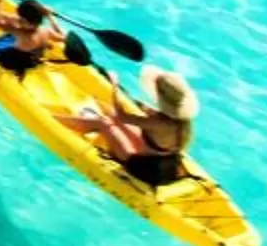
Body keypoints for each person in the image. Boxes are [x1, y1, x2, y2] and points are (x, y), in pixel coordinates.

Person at [65, 65, 198, 188]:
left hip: (144, 168)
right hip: (165, 163)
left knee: (104, 123)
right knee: (109, 112)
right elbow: (145, 116)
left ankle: (56, 119)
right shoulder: (182, 122)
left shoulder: (159, 123)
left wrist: (114, 85)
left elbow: (120, 116)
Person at [0, 0, 63, 77]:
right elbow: (61, 35)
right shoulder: (46, 30)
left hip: (12, 62)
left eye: (21, 19)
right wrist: (50, 16)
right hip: (33, 62)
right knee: (14, 23)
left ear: (25, 20)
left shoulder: (21, 32)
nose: (19, 19)